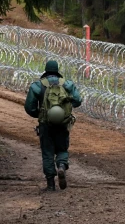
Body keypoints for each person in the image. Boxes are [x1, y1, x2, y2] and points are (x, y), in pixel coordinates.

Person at [24, 60, 82, 191]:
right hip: (63, 123)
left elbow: (29, 107)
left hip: (45, 124)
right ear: (57, 71)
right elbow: (78, 101)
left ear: (46, 70)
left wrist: (40, 114)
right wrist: (65, 109)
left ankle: (50, 184)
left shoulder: (37, 86)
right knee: (62, 149)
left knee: (47, 152)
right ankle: (61, 166)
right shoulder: (67, 84)